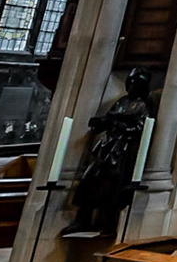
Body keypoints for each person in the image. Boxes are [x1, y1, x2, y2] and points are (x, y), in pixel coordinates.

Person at [66, 68, 154, 236]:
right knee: (88, 179)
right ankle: (82, 219)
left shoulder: (144, 104)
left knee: (113, 186)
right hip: (107, 147)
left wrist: (122, 126)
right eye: (131, 81)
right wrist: (101, 122)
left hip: (123, 151)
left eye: (137, 82)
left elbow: (142, 127)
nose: (133, 85)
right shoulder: (122, 102)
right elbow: (109, 118)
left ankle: (107, 222)